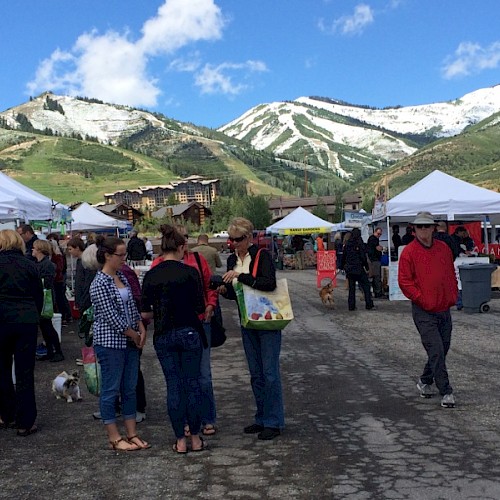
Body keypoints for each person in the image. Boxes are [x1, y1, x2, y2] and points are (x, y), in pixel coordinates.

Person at [141, 224, 207, 454]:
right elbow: (200, 306)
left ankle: (180, 439)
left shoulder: (152, 275)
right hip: (189, 330)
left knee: (174, 386)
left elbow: (144, 310)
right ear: (181, 247)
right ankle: (196, 438)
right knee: (193, 383)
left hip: (164, 333)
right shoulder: (190, 273)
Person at [220, 217, 285, 440]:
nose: (233, 243)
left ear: (248, 238)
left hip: (267, 320)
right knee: (256, 373)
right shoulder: (231, 260)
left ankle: (273, 421)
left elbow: (269, 283)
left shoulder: (261, 256)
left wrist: (241, 276)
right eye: (231, 239)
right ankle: (262, 416)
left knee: (269, 373)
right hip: (247, 320)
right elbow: (234, 293)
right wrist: (224, 289)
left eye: (237, 239)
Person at [89, 236, 149, 451]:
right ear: (107, 256)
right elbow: (111, 316)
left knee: (130, 388)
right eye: (120, 255)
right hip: (110, 342)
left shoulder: (121, 275)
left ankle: (132, 433)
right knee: (111, 389)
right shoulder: (99, 283)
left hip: (129, 341)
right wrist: (133, 333)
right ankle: (114, 437)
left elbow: (131, 305)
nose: (124, 258)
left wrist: (140, 326)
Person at [398, 211, 458, 409]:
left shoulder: (443, 248)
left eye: (427, 226)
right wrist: (421, 298)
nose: (424, 230)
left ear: (434, 227)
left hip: (443, 308)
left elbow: (450, 273)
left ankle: (425, 381)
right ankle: (446, 391)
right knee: (436, 349)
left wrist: (452, 294)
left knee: (443, 349)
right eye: (420, 226)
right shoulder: (408, 252)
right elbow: (405, 282)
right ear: (414, 229)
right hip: (423, 310)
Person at [0, 230, 43, 437]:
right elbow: (38, 296)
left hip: (1, 319)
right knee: (25, 372)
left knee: (2, 370)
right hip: (26, 319)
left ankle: (7, 414)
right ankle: (26, 421)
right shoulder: (29, 265)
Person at [32, 239, 65, 363]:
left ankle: (57, 351)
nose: (32, 250)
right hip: (44, 298)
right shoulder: (41, 264)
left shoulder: (46, 265)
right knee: (45, 326)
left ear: (40, 249)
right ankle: (51, 351)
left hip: (46, 299)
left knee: (47, 326)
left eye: (34, 248)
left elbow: (46, 282)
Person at [341, 228, 375, 311]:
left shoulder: (347, 244)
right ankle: (369, 304)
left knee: (352, 289)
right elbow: (363, 257)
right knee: (366, 286)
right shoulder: (360, 243)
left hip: (350, 269)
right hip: (359, 268)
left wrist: (342, 266)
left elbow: (344, 257)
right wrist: (366, 266)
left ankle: (351, 306)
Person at [48, 239, 72, 324]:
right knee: (59, 298)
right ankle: (65, 315)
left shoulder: (57, 256)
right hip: (57, 279)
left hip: (58, 280)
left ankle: (65, 315)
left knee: (60, 298)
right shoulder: (54, 256)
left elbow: (59, 268)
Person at [367, 227, 384, 298]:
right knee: (377, 277)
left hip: (373, 259)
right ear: (375, 232)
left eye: (380, 234)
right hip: (374, 260)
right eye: (378, 233)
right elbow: (378, 248)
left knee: (374, 277)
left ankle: (376, 291)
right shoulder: (373, 239)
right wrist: (382, 248)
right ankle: (378, 292)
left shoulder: (372, 238)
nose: (379, 235)